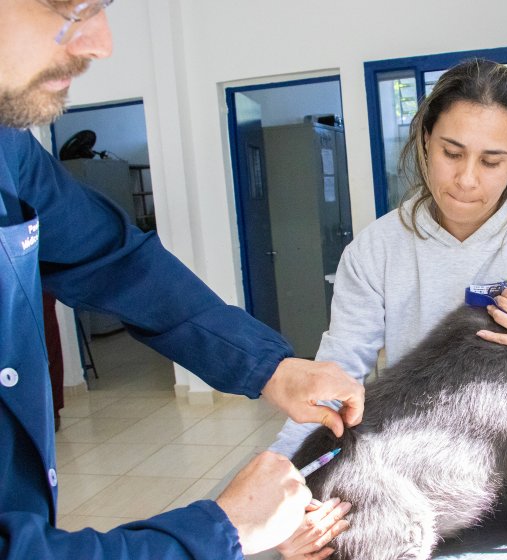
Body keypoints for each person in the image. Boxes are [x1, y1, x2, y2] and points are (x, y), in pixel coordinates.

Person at [0, 1, 363, 558]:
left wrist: (271, 368)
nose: (102, 43)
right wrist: (219, 531)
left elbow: (114, 260)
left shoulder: (9, 148)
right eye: (70, 5)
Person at [271, 58, 507, 460]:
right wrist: (284, 466)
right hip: (428, 474)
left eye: (491, 161)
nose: (466, 179)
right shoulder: (376, 250)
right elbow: (334, 380)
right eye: (451, 153)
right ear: (425, 139)